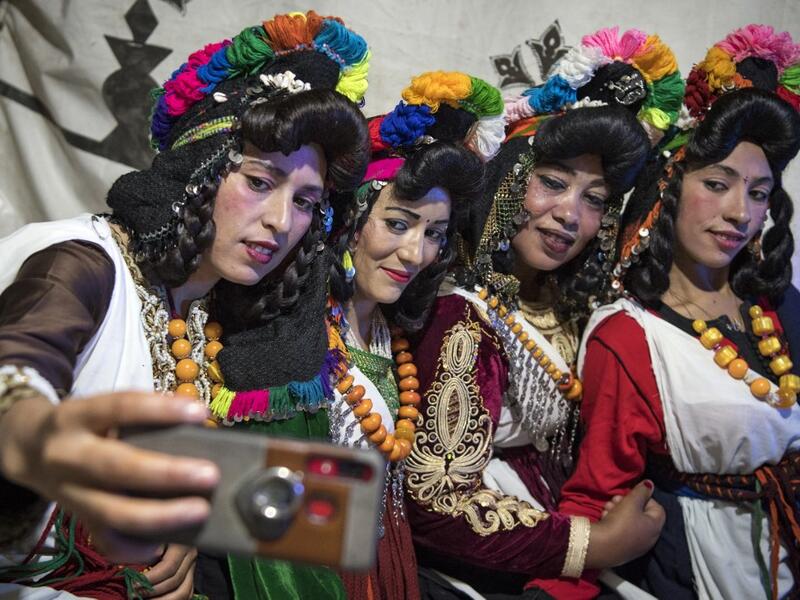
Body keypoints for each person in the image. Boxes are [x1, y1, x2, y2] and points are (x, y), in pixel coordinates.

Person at [0, 10, 370, 599]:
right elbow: (18, 364)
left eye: (305, 201)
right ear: (198, 171)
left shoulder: (206, 309)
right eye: (259, 181)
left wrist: (186, 527)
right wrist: (27, 432)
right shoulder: (86, 263)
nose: (280, 222)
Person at [403, 27, 683, 599]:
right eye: (552, 184)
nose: (568, 215)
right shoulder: (462, 315)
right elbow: (436, 502)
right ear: (508, 183)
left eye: (594, 199)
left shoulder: (575, 311)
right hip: (475, 578)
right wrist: (595, 545)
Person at [206, 69, 501, 599]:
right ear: (350, 219)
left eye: (433, 234)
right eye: (398, 223)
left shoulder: (392, 334)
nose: (415, 253)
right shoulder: (291, 337)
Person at [560, 25, 800, 600]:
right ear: (670, 185)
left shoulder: (780, 306)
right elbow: (597, 496)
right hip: (692, 567)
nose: (741, 213)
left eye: (760, 193)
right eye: (717, 184)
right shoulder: (630, 334)